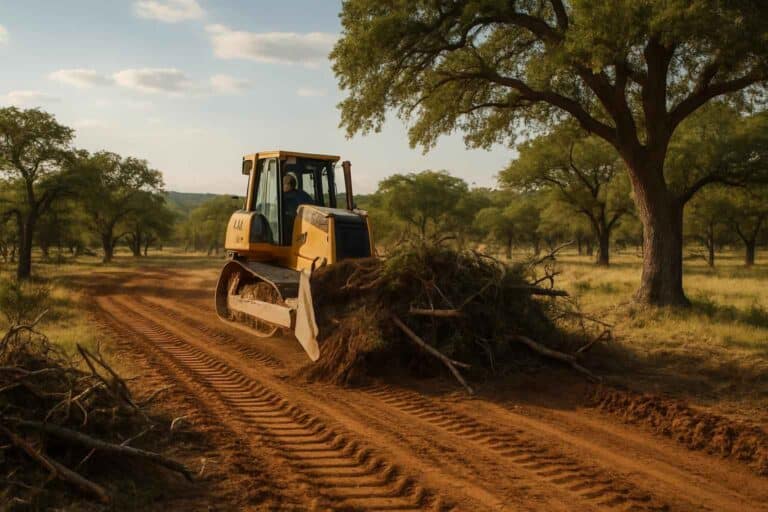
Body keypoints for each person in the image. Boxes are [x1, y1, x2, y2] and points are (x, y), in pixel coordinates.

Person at [282, 174, 314, 243]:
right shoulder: (304, 195)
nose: (282, 187)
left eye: (283, 185)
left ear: (288, 185)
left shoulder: (286, 197)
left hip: (295, 232)